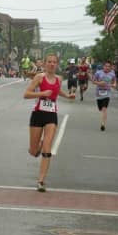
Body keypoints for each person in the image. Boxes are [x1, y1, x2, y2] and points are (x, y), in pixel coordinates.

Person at [24, 54, 75, 192]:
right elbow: (26, 94)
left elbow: (57, 91)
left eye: (54, 62)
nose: (52, 64)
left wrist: (67, 96)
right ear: (45, 64)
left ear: (57, 64)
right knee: (33, 151)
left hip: (51, 115)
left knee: (47, 148)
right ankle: (37, 146)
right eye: (49, 62)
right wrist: (41, 94)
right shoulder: (39, 77)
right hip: (37, 114)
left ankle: (41, 181)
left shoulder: (59, 79)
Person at [92, 61, 117, 131]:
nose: (107, 67)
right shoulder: (98, 73)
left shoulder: (112, 73)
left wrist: (114, 84)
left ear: (110, 67)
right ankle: (103, 119)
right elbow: (93, 81)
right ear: (103, 66)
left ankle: (103, 124)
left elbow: (114, 81)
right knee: (100, 108)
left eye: (109, 66)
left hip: (107, 93)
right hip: (99, 93)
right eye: (106, 66)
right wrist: (99, 83)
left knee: (104, 109)